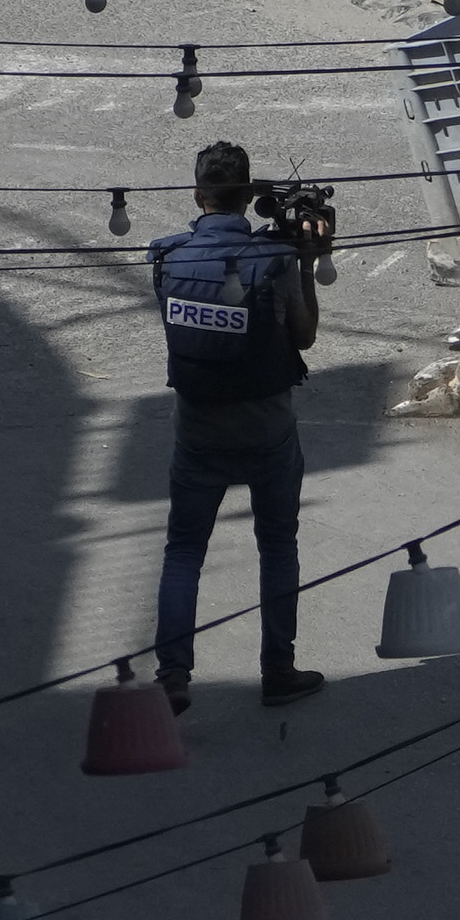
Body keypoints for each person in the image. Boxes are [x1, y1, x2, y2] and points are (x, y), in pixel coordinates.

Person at [151, 142, 323, 711]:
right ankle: (278, 669)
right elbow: (302, 337)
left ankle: (174, 674)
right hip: (268, 430)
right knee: (276, 546)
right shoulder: (271, 257)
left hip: (198, 431)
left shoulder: (167, 258)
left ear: (197, 194)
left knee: (183, 552)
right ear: (250, 196)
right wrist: (303, 260)